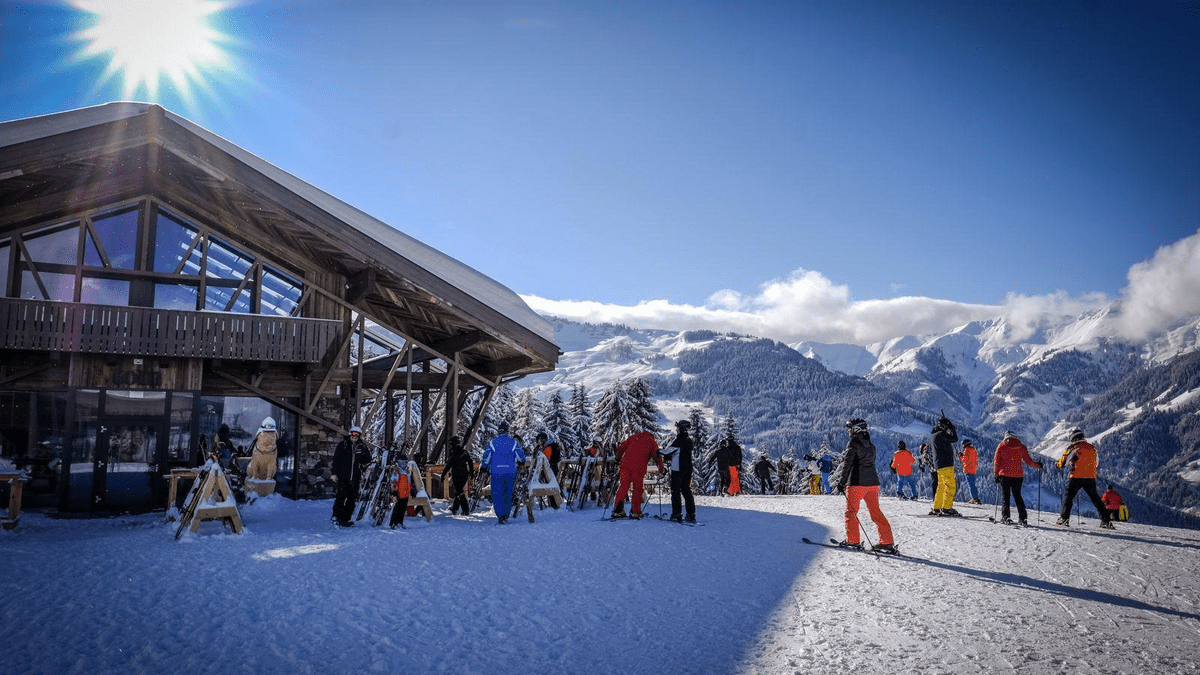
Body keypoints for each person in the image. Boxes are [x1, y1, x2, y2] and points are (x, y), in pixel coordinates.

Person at [834, 418, 897, 553]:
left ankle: (852, 541)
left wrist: (842, 482)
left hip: (857, 483)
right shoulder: (871, 445)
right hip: (873, 484)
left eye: (850, 428)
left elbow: (848, 464)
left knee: (851, 512)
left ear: (855, 429)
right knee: (876, 512)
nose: (849, 431)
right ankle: (887, 541)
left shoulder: (853, 443)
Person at [1056, 427, 1113, 528]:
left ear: (1073, 438)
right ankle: (1106, 521)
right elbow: (1096, 463)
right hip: (1090, 477)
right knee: (1096, 500)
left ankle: (1064, 519)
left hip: (1076, 477)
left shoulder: (1074, 447)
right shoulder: (1092, 447)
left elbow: (1063, 462)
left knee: (1068, 498)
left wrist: (1059, 465)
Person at [611, 427, 663, 519]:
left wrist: (618, 457)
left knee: (623, 486)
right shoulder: (651, 441)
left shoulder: (634, 437)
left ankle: (617, 510)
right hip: (639, 467)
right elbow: (657, 456)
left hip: (625, 465)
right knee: (637, 489)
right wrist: (661, 468)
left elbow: (622, 446)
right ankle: (635, 512)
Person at [993, 431, 1043, 525]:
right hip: (1018, 476)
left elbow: (997, 461)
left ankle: (1006, 517)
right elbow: (1028, 461)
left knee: (1006, 497)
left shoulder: (1001, 446)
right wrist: (1038, 465)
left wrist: (996, 474)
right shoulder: (1021, 446)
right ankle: (1023, 518)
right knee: (1017, 496)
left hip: (1005, 475)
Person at [480, 422, 525, 524]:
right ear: (507, 431)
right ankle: (506, 514)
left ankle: (500, 515)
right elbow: (520, 455)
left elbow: (487, 456)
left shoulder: (493, 443)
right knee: (507, 493)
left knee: (497, 494)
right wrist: (521, 461)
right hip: (510, 472)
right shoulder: (513, 442)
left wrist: (484, 467)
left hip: (496, 472)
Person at [331, 425, 371, 527]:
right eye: (353, 434)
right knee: (341, 497)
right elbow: (336, 459)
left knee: (351, 499)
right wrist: (334, 473)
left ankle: (345, 519)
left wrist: (364, 459)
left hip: (355, 478)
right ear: (350, 434)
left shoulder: (362, 447)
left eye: (357, 435)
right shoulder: (343, 445)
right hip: (343, 476)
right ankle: (336, 516)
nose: (354, 436)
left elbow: (367, 461)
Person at [660, 419, 696, 523]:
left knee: (675, 492)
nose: (677, 430)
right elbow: (679, 453)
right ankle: (691, 515)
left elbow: (668, 451)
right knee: (686, 491)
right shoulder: (689, 440)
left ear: (682, 429)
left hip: (678, 469)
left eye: (678, 428)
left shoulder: (679, 440)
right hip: (688, 469)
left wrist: (659, 451)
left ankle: (676, 514)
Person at [930, 415, 959, 516]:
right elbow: (954, 438)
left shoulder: (933, 435)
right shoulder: (941, 434)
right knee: (950, 486)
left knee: (941, 486)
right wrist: (952, 429)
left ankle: (937, 507)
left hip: (939, 464)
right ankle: (946, 508)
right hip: (946, 463)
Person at [440, 436, 475, 516]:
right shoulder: (464, 452)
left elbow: (449, 464)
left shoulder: (453, 453)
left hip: (457, 474)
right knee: (458, 491)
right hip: (464, 474)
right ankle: (455, 508)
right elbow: (470, 462)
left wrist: (443, 474)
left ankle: (465, 509)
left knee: (459, 492)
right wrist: (471, 472)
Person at [389, 447, 412, 530]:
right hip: (399, 493)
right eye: (401, 462)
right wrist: (394, 492)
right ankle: (393, 523)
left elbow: (408, 483)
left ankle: (400, 522)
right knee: (397, 508)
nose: (403, 464)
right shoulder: (397, 472)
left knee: (403, 508)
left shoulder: (406, 472)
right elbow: (393, 482)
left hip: (405, 494)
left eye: (405, 462)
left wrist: (410, 491)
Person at [959, 438, 981, 504]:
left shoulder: (966, 450)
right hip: (973, 469)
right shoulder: (973, 450)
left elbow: (964, 460)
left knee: (971, 485)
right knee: (973, 484)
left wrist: (961, 456)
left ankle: (975, 498)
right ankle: (975, 497)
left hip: (968, 469)